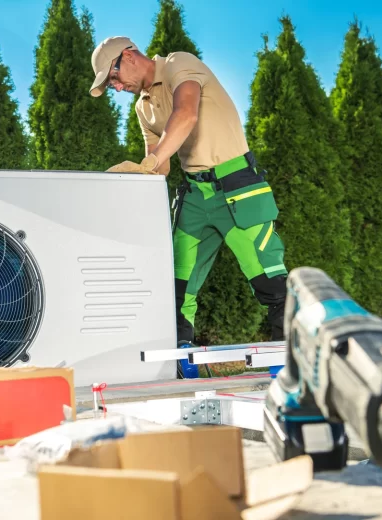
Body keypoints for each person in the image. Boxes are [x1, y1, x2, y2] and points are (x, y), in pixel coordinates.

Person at [89, 36, 288, 378]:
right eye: (111, 84)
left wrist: (150, 161)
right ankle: (182, 361)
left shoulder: (179, 63)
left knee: (269, 281)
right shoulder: (143, 108)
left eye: (114, 77)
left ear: (129, 55)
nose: (116, 87)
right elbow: (162, 165)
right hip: (195, 195)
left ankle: (288, 357)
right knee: (178, 288)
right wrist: (131, 180)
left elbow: (186, 114)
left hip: (236, 187)